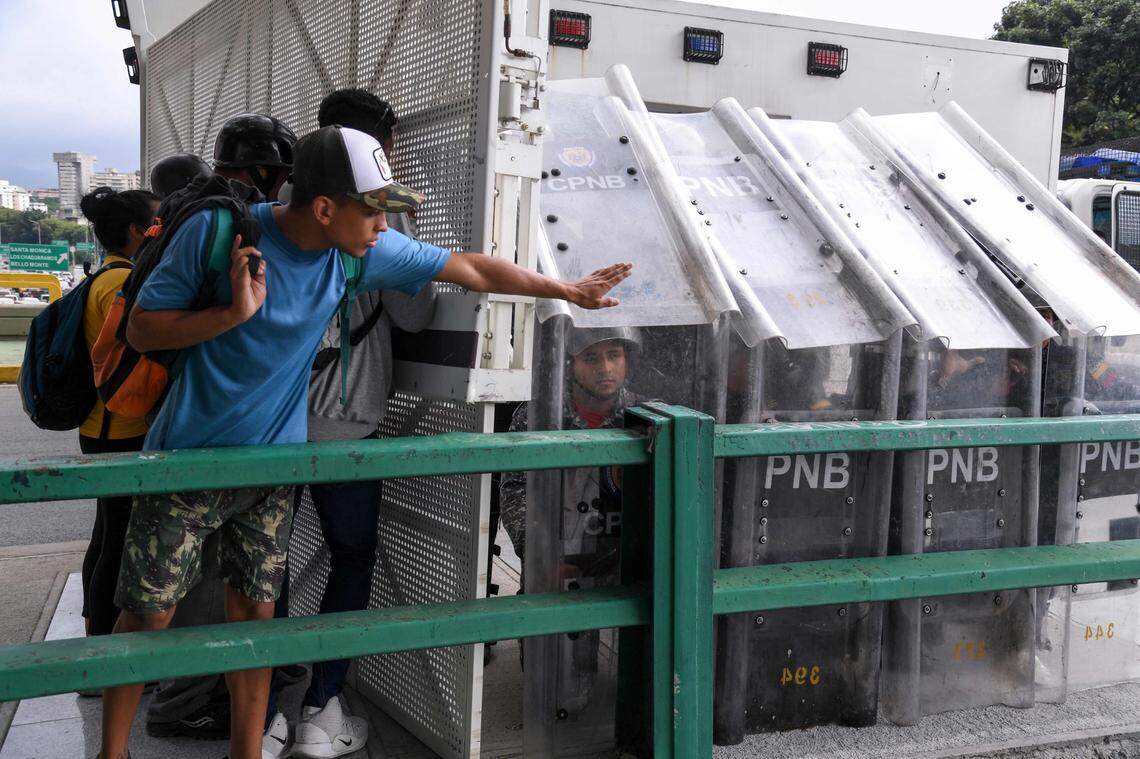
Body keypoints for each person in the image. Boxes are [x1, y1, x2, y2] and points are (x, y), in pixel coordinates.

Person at [98, 124, 630, 759]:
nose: (384, 226)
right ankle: (112, 753)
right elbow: (142, 331)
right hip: (184, 465)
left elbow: (464, 266)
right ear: (325, 208)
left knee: (255, 620)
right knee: (148, 615)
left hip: (270, 470)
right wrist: (230, 315)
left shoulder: (353, 252)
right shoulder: (219, 235)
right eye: (374, 209)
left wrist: (567, 290)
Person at [260, 89, 430, 759]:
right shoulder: (381, 214)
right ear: (384, 142)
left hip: (268, 420)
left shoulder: (285, 207)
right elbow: (416, 315)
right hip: (344, 421)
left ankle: (263, 709)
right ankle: (320, 705)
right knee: (351, 554)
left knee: (263, 565)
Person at [145, 115, 300, 742]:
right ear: (266, 170)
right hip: (203, 442)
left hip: (198, 431)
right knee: (183, 598)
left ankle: (185, 716)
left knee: (169, 598)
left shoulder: (203, 214)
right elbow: (146, 327)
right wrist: (233, 313)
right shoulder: (224, 222)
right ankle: (175, 705)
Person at [76, 187, 160, 642]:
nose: (160, 229)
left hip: (100, 426)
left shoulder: (103, 276)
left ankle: (95, 629)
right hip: (121, 429)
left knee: (106, 533)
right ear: (135, 230)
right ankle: (105, 650)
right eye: (155, 221)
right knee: (120, 541)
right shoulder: (121, 285)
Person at [500, 327, 645, 570]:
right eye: (591, 358)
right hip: (556, 572)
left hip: (625, 573)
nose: (606, 368)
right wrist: (542, 556)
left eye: (614, 355)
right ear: (569, 363)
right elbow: (516, 490)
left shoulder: (645, 415)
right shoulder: (540, 415)